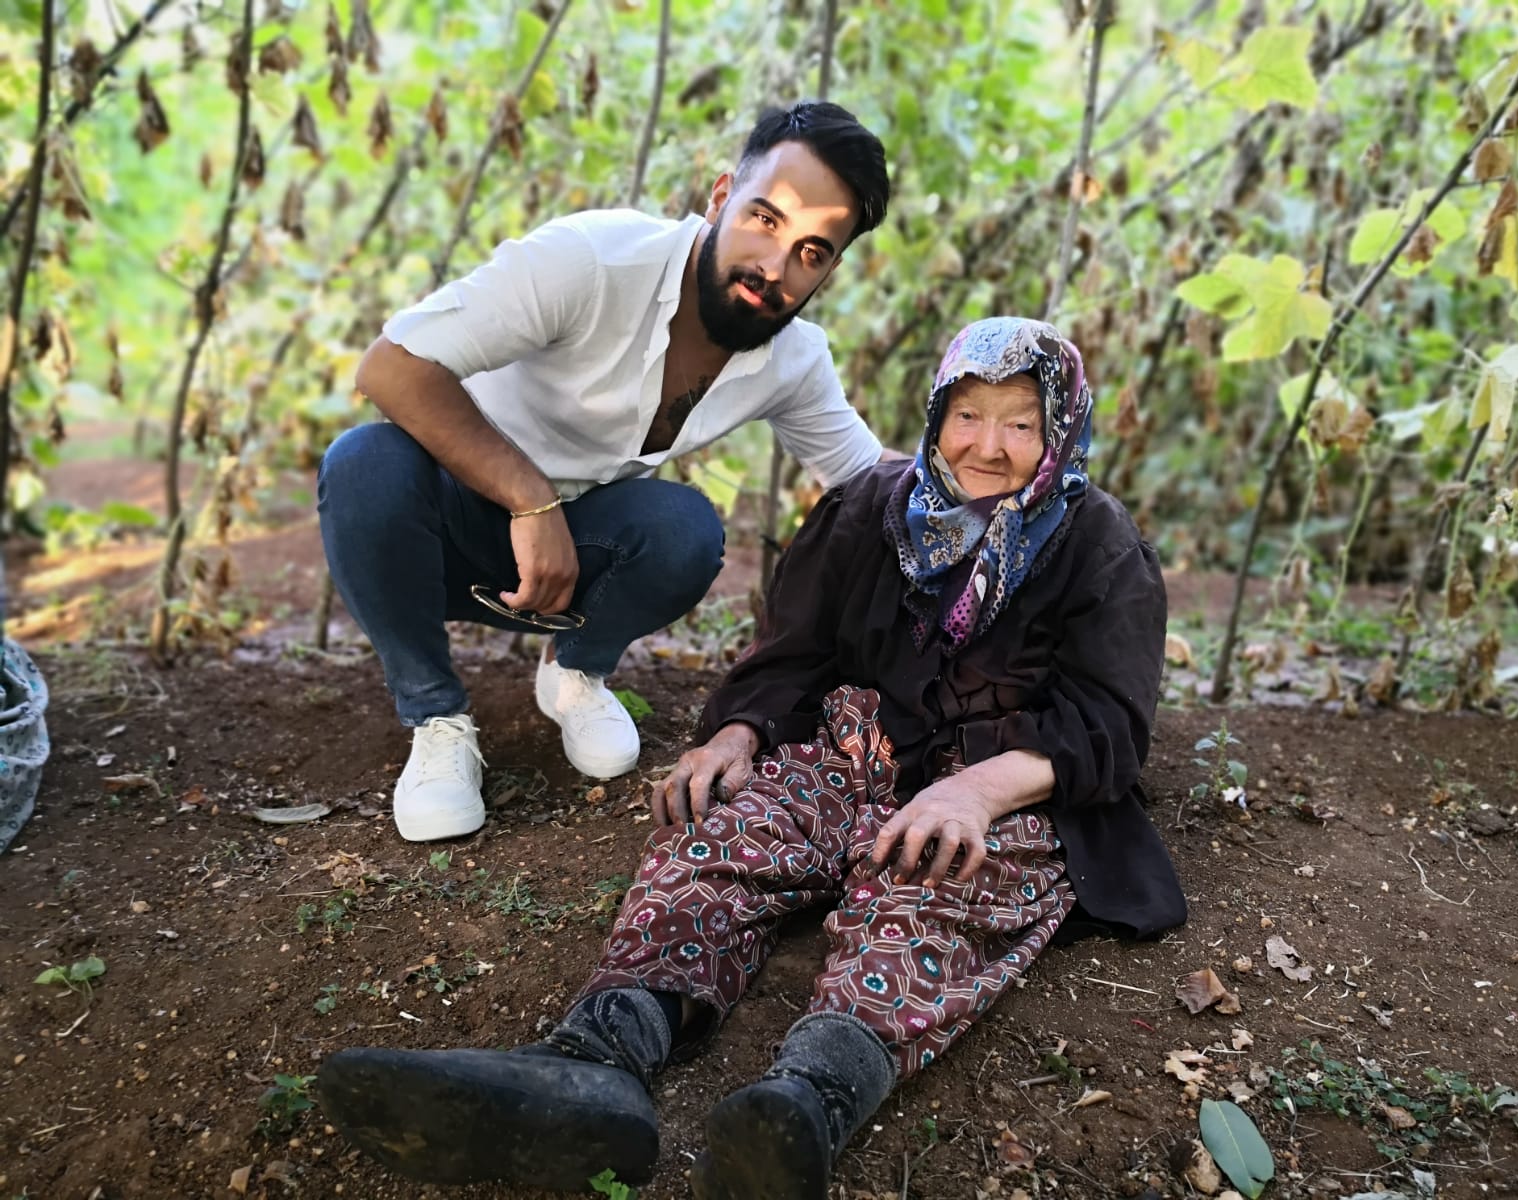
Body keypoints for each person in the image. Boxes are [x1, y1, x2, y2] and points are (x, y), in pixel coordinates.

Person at [315, 317, 1188, 1198]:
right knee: (719, 838)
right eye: (969, 414)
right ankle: (595, 1062)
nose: (988, 447)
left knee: (933, 885)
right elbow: (793, 652)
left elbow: (1108, 722)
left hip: (1002, 789)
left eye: (1021, 423)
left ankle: (806, 1107)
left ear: (1061, 433)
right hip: (849, 750)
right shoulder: (873, 507)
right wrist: (736, 732)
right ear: (936, 414)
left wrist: (975, 794)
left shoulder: (1095, 542)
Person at [317, 100, 894, 842]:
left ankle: (573, 673)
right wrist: (530, 501)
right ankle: (435, 716)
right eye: (765, 219)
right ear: (721, 197)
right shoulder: (592, 260)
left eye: (813, 252)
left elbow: (866, 476)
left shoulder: (792, 358)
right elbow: (392, 367)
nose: (774, 266)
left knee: (687, 530)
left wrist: (990, 471)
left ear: (830, 269)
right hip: (441, 533)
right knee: (363, 464)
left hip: (571, 566)